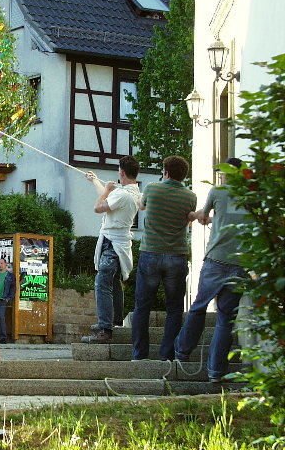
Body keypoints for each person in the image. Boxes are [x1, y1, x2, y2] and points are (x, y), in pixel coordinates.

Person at [174, 158, 248, 382]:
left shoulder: (217, 191)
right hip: (240, 263)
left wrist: (202, 218)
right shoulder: (250, 198)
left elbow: (204, 217)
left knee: (198, 307)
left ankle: (182, 353)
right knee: (226, 319)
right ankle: (216, 372)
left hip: (216, 260)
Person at [131, 156, 197, 361]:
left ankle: (139, 354)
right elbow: (189, 218)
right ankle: (166, 355)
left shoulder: (152, 188)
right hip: (177, 255)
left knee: (142, 305)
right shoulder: (191, 196)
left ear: (165, 172)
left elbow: (141, 206)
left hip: (150, 252)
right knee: (175, 308)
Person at [81, 155, 141, 344]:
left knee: (102, 284)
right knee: (114, 284)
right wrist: (95, 182)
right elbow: (110, 199)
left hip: (112, 245)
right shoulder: (134, 192)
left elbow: (98, 207)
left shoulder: (121, 194)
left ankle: (104, 328)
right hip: (119, 243)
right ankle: (114, 322)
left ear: (121, 173)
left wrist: (106, 190)